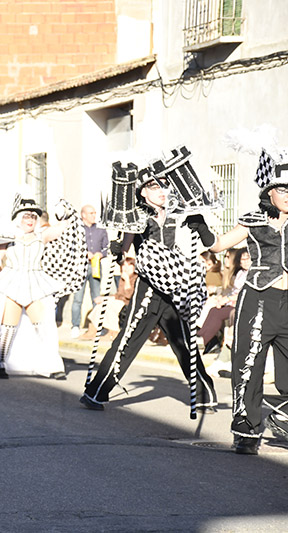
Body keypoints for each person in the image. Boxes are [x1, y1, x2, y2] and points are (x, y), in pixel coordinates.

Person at [80, 171, 217, 413]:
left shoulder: (177, 212)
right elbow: (124, 246)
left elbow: (196, 244)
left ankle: (204, 394)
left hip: (175, 286)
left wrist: (199, 226)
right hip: (149, 287)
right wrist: (118, 249)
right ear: (143, 191)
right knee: (129, 338)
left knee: (184, 341)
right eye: (154, 187)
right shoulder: (137, 216)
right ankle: (97, 391)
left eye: (164, 186)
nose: (161, 191)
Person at [188, 156, 288, 454]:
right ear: (269, 193)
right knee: (249, 366)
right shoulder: (253, 221)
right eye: (283, 190)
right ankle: (246, 432)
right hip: (257, 298)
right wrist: (200, 225)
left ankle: (281, 417)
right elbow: (218, 245)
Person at [0, 195, 80, 380]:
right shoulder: (8, 238)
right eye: (26, 216)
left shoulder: (42, 235)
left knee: (43, 325)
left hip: (35, 281)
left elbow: (67, 226)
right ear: (19, 218)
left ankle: (52, 365)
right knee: (8, 325)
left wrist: (64, 208)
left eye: (33, 217)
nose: (30, 220)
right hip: (12, 281)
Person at [198, 248, 249, 355]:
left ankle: (205, 339)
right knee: (213, 310)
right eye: (242, 259)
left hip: (240, 303)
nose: (244, 262)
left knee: (217, 312)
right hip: (229, 301)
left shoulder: (250, 274)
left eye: (246, 259)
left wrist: (227, 299)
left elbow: (243, 292)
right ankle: (202, 336)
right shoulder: (240, 273)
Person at [70, 204, 108, 338]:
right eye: (91, 213)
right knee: (78, 298)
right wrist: (84, 253)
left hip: (96, 266)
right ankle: (75, 326)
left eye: (94, 212)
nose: (94, 215)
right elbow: (72, 247)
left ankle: (97, 326)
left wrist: (101, 254)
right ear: (83, 215)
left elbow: (106, 247)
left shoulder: (101, 230)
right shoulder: (76, 229)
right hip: (81, 267)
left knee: (96, 297)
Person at [82, 257, 138, 339]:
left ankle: (114, 331)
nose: (126, 268)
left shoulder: (135, 278)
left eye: (129, 265)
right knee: (101, 305)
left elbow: (129, 295)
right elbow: (118, 294)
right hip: (120, 301)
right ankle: (92, 330)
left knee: (110, 307)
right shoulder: (122, 277)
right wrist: (104, 298)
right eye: (124, 265)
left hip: (128, 303)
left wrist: (127, 281)